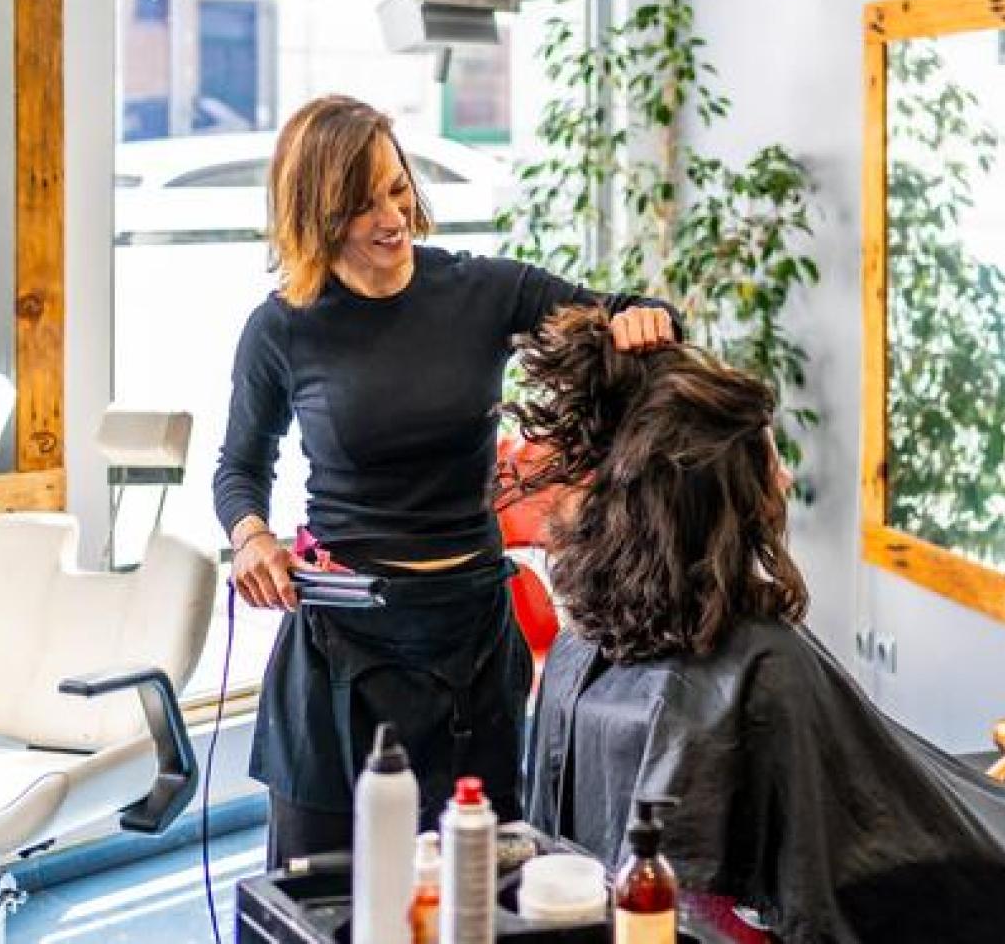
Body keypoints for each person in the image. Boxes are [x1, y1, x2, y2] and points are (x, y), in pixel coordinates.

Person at [510, 307, 1005, 944]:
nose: (782, 483)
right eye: (770, 459)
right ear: (714, 496)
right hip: (966, 869)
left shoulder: (589, 641)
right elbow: (844, 868)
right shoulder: (759, 660)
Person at [213, 95, 679, 866]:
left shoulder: (483, 293)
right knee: (320, 893)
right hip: (342, 650)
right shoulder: (282, 328)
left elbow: (629, 314)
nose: (392, 217)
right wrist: (251, 535)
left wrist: (642, 320)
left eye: (398, 189)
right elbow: (239, 468)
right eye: (362, 204)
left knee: (478, 885)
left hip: (468, 637)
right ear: (317, 212)